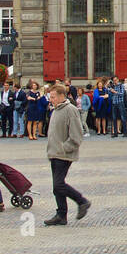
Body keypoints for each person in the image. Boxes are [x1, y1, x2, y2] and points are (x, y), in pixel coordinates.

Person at [44, 81, 91, 226]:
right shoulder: (56, 110)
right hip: (54, 153)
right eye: (50, 97)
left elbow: (77, 134)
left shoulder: (70, 109)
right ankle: (61, 215)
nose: (51, 100)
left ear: (61, 96)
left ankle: (82, 201)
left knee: (58, 185)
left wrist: (66, 147)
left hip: (63, 154)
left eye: (53, 97)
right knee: (56, 186)